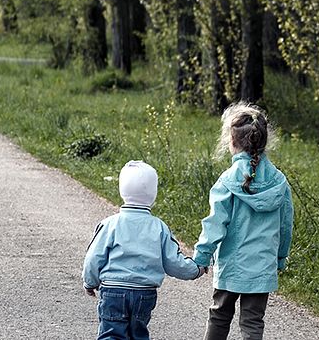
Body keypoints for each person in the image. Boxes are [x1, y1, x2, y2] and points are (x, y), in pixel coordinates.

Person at [193, 102, 294, 340]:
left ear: (231, 141)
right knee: (252, 323)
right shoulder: (279, 181)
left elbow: (215, 224)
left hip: (231, 265)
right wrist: (280, 257)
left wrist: (201, 257)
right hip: (263, 266)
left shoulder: (227, 180)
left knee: (219, 316)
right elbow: (285, 225)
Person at [83, 160, 207, 340]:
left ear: (122, 190)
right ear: (153, 193)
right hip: (144, 293)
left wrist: (90, 281)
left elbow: (93, 257)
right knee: (138, 334)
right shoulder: (159, 227)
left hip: (113, 291)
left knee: (111, 334)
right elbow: (173, 262)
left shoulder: (110, 224)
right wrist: (196, 270)